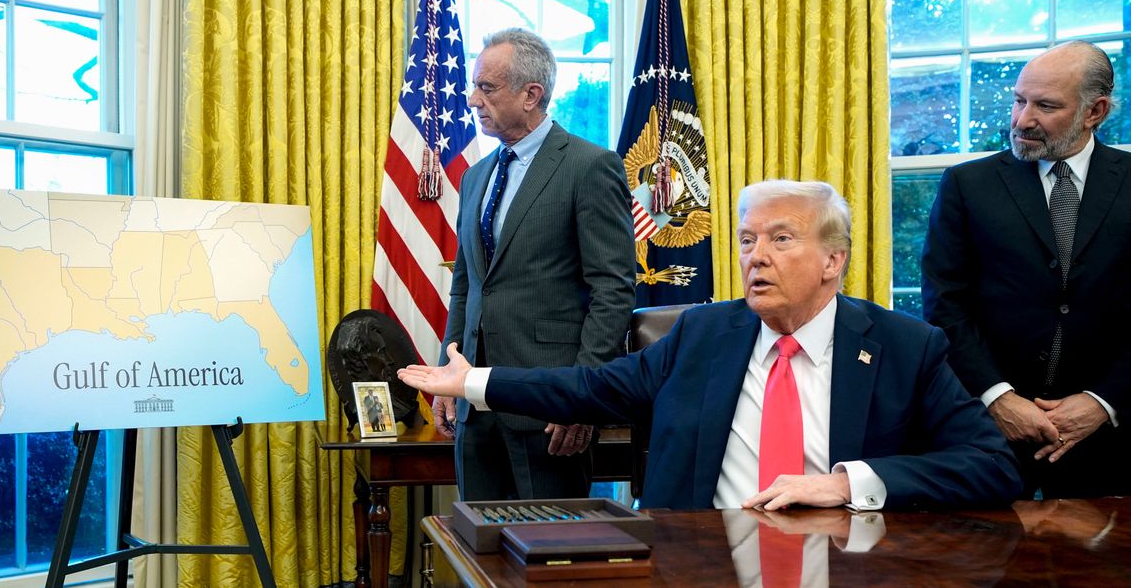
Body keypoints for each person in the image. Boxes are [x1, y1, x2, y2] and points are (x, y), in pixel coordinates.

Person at [406, 180, 1021, 509]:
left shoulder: (904, 347)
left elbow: (992, 466)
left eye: (781, 239)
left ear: (835, 260)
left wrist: (845, 484)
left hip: (844, 562)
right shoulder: (702, 333)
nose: (756, 257)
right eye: (748, 239)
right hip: (700, 559)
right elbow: (593, 387)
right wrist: (472, 383)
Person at [921, 41, 1128, 498]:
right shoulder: (967, 185)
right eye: (1019, 100)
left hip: (1112, 442)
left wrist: (1102, 402)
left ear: (1094, 111)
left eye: (1045, 106)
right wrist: (998, 397)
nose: (1022, 120)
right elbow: (943, 304)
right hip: (986, 436)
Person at [436, 27, 636, 500]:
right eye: (472, 85)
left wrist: (581, 398)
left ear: (532, 95)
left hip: (550, 411)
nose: (471, 98)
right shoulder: (476, 177)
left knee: (549, 558)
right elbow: (465, 288)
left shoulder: (590, 167)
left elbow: (613, 290)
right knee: (479, 556)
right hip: (475, 407)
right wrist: (450, 376)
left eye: (486, 87)